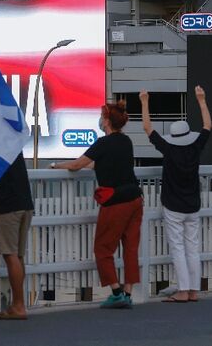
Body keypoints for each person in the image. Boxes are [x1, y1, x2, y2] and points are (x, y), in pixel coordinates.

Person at [53, 101, 143, 309]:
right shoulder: (126, 141)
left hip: (116, 202)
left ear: (107, 121)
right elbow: (106, 163)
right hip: (135, 199)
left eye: (102, 117)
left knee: (103, 248)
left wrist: (57, 165)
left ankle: (116, 291)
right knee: (130, 247)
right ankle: (128, 293)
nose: (100, 120)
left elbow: (77, 165)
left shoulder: (103, 143)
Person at [140, 86, 212, 303]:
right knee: (193, 247)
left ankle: (182, 290)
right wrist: (201, 100)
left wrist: (145, 102)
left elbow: (147, 128)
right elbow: (208, 125)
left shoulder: (168, 148)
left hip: (173, 204)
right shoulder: (196, 146)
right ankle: (193, 291)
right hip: (193, 204)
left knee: (178, 247)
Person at [0, 153, 34, 320]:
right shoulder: (12, 142)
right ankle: (17, 303)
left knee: (10, 255)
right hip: (25, 203)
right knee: (19, 256)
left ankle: (19, 305)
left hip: (7, 206)